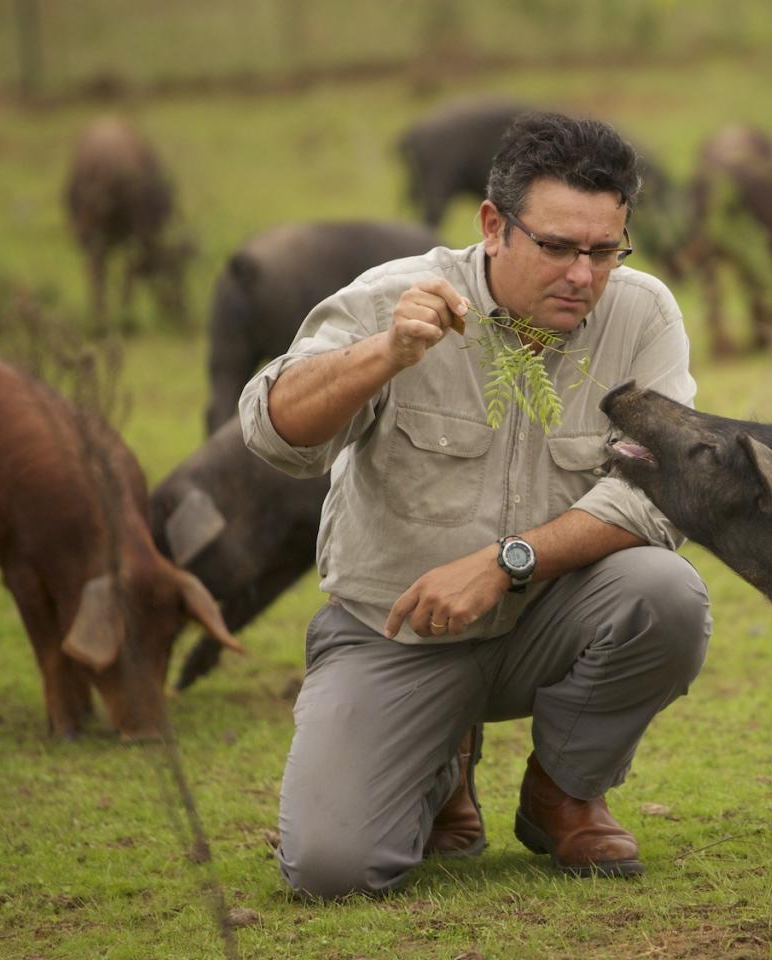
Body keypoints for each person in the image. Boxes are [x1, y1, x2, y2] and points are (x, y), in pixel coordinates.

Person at [239, 112, 712, 899]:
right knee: (332, 871)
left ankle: (563, 791)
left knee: (667, 594)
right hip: (398, 632)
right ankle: (440, 765)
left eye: (604, 250)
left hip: (546, 619)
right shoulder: (396, 298)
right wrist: (383, 355)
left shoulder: (644, 315)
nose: (583, 276)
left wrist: (505, 562)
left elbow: (661, 490)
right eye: (557, 247)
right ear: (494, 225)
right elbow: (273, 432)